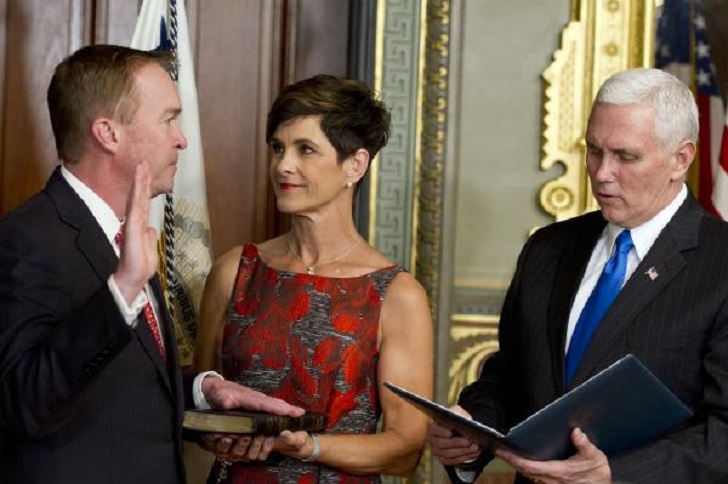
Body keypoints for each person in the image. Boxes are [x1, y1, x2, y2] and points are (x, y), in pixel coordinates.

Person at [0, 44, 302, 484]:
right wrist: (121, 290)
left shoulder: (127, 232)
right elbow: (23, 402)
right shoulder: (26, 239)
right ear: (108, 133)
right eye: (167, 119)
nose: (181, 138)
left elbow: (121, 390)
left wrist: (202, 391)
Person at [428, 67, 728, 483]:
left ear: (681, 159)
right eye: (594, 151)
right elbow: (510, 377)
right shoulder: (547, 248)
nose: (602, 172)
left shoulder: (720, 264)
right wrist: (472, 430)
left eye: (625, 156)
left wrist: (616, 475)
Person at [195, 74, 433, 482]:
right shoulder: (235, 270)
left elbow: (405, 449)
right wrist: (216, 437)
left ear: (355, 165)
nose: (283, 165)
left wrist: (309, 447)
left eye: (306, 150)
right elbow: (198, 405)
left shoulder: (396, 294)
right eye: (277, 148)